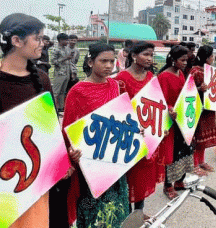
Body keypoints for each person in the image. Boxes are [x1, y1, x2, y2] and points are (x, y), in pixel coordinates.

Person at [0, 13, 79, 228]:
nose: (43, 44)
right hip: (8, 181)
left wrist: (62, 159)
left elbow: (50, 125)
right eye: (38, 38)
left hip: (39, 177)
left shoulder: (42, 79)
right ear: (16, 41)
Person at [63, 43, 129, 228]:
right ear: (91, 62)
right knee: (93, 208)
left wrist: (134, 130)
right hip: (91, 160)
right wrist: (71, 151)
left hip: (115, 157)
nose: (109, 65)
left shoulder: (116, 86)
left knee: (117, 207)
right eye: (103, 61)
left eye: (111, 61)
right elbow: (68, 128)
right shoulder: (78, 91)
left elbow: (123, 117)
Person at [114, 41, 157, 219]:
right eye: (146, 54)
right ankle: (126, 214)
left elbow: (157, 104)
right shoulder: (120, 79)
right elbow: (116, 109)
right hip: (127, 135)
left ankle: (138, 212)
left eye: (151, 55)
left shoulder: (151, 78)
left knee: (142, 175)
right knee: (127, 175)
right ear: (133, 56)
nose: (149, 58)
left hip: (147, 134)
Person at [157, 45, 194, 199]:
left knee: (184, 150)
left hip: (183, 119)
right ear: (173, 60)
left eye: (187, 60)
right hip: (170, 121)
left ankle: (180, 180)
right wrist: (170, 109)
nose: (185, 63)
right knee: (171, 153)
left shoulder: (180, 73)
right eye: (182, 60)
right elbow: (161, 100)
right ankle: (168, 185)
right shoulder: (163, 76)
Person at [189, 45, 216, 175]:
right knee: (198, 137)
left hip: (209, 108)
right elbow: (187, 90)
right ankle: (195, 164)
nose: (213, 58)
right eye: (211, 56)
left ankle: (201, 161)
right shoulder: (195, 71)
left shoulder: (210, 71)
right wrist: (199, 88)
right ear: (205, 57)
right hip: (198, 108)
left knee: (205, 137)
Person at [51, 33, 72, 113]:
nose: (67, 42)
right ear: (60, 40)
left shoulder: (66, 49)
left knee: (63, 92)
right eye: (66, 40)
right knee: (56, 92)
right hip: (59, 73)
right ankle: (53, 110)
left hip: (66, 73)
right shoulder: (55, 49)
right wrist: (64, 58)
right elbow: (53, 62)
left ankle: (61, 108)